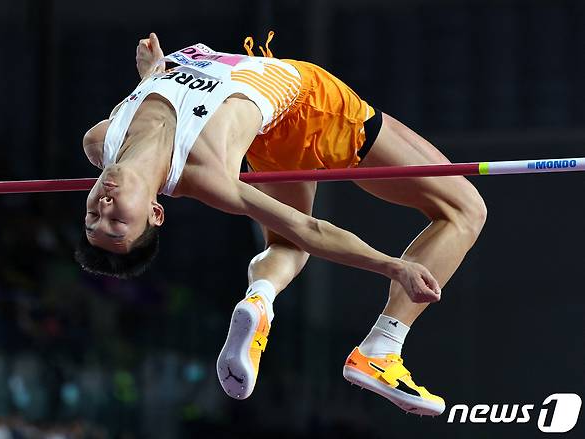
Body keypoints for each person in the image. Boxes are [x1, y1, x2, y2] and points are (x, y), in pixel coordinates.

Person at [75, 32, 487, 416]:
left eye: (94, 216)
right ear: (154, 212)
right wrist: (393, 266)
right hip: (313, 106)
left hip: (270, 130)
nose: (106, 206)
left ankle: (260, 298)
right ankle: (384, 347)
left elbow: (159, 94)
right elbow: (309, 228)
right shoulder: (204, 172)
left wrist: (151, 72)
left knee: (287, 246)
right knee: (466, 208)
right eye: (118, 223)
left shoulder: (101, 140)